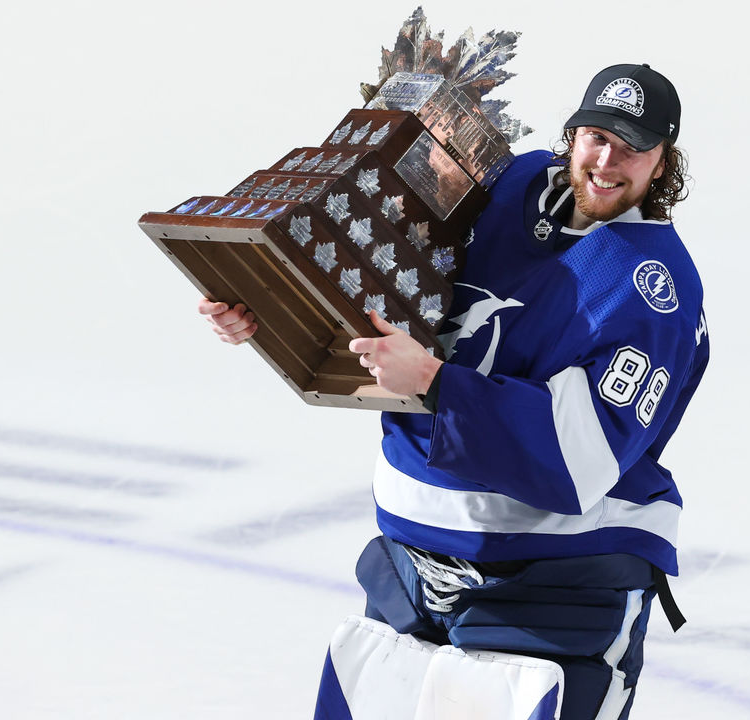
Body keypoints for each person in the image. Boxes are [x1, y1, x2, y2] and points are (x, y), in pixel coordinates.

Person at [200, 63, 710, 720]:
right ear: (573, 134)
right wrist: (267, 307)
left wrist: (439, 384)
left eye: (633, 148)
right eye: (596, 137)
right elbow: (382, 274)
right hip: (409, 558)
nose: (608, 161)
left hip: (556, 584)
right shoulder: (514, 181)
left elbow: (577, 459)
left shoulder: (652, 290)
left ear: (662, 164)